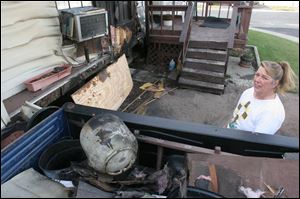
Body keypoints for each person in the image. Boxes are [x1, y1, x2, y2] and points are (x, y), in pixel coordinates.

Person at [227, 61, 297, 135]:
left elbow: (255, 143)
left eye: (264, 78)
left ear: (275, 83)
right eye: (257, 75)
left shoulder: (272, 113)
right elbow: (236, 117)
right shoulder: (249, 92)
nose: (257, 80)